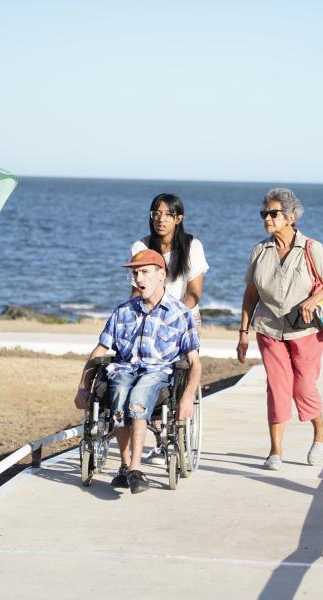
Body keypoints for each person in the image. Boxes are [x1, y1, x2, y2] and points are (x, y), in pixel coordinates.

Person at [74, 249, 201, 494]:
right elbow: (99, 350)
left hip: (158, 373)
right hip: (124, 369)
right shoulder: (123, 311)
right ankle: (124, 466)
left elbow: (195, 362)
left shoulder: (179, 314)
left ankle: (135, 468)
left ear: (161, 275)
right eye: (135, 273)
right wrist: (82, 387)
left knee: (138, 399)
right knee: (120, 393)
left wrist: (187, 397)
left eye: (144, 272)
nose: (138, 279)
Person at [236, 188, 323, 470]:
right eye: (264, 214)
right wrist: (243, 333)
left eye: (273, 214)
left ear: (291, 217)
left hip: (306, 331)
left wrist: (313, 300)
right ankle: (275, 451)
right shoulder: (260, 250)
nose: (267, 219)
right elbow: (251, 294)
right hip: (269, 329)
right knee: (277, 387)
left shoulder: (312, 248)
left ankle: (320, 433)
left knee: (304, 387)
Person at [131, 193, 209, 465]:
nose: (160, 219)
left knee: (183, 367)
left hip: (184, 317)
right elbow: (136, 290)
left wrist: (173, 316)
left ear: (179, 219)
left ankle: (179, 421)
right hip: (150, 318)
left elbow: (194, 292)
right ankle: (160, 437)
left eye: (166, 214)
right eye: (155, 213)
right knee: (144, 368)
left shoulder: (192, 246)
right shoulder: (141, 246)